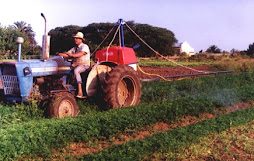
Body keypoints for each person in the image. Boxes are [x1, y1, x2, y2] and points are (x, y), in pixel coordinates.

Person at [58, 32, 90, 98]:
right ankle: (63, 87)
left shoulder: (84, 46)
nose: (75, 39)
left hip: (84, 65)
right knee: (64, 70)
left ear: (81, 40)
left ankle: (80, 91)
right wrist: (59, 54)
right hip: (75, 65)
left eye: (77, 38)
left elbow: (81, 54)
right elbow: (67, 54)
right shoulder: (74, 48)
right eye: (75, 38)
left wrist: (72, 55)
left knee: (76, 71)